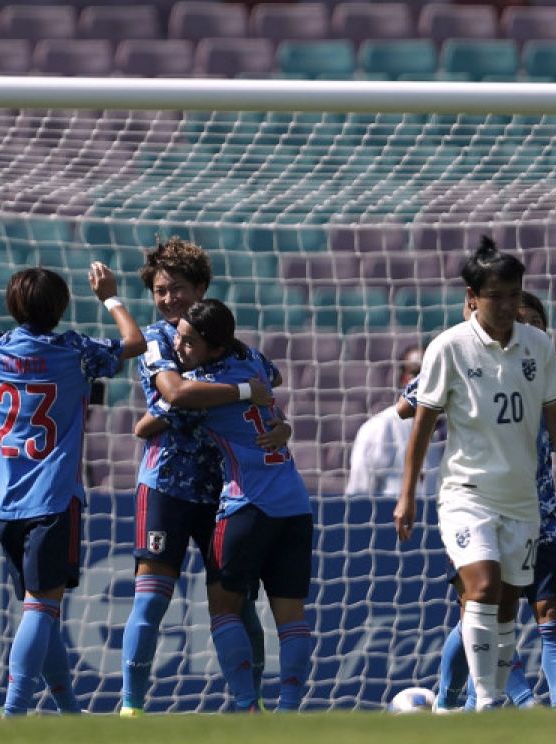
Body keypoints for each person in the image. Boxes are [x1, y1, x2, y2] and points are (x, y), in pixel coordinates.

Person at [0, 261, 145, 716]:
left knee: (40, 611)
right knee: (42, 611)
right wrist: (110, 296)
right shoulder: (75, 351)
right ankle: (14, 713)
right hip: (53, 498)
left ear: (11, 305)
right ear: (62, 307)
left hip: (6, 502)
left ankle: (68, 711)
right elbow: (135, 343)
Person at [394, 236, 556, 712]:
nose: (506, 305)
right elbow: (418, 422)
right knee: (481, 589)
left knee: (504, 606)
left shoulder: (538, 347)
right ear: (472, 299)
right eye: (496, 295)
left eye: (513, 294)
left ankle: (478, 700)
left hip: (525, 499)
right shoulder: (449, 347)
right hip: (467, 494)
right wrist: (408, 495)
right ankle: (484, 701)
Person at [120, 237, 277, 716]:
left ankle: (250, 704)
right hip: (167, 483)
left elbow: (270, 379)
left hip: (228, 491)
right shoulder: (155, 339)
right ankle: (130, 706)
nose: (169, 300)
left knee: (237, 604)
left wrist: (174, 408)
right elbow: (177, 393)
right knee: (151, 601)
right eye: (161, 291)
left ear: (202, 288)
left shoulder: (228, 344)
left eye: (179, 289)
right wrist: (237, 392)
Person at [141, 299, 313, 712]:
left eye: (189, 341)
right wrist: (281, 422)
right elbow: (275, 378)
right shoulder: (254, 361)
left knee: (223, 608)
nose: (179, 346)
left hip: (246, 506)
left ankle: (246, 705)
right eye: (179, 336)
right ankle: (290, 708)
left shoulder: (201, 389)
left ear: (214, 348)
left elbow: (144, 427)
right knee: (290, 615)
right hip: (295, 504)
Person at [346, 345, 442, 498]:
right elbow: (358, 495)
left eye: (433, 373)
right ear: (404, 379)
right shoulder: (378, 429)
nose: (425, 380)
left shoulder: (457, 428)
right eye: (416, 373)